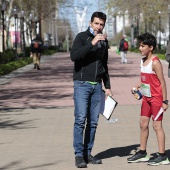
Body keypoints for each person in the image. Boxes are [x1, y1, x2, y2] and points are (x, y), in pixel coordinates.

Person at [70, 11, 112, 168]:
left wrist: (107, 86)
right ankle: (79, 155)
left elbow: (104, 64)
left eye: (101, 24)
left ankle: (88, 153)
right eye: (96, 23)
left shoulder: (104, 42)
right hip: (82, 84)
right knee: (80, 119)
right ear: (90, 23)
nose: (99, 27)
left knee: (93, 122)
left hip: (97, 86)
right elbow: (74, 56)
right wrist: (92, 43)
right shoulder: (81, 37)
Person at [127, 33, 169, 166]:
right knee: (143, 124)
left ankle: (162, 156)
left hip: (157, 99)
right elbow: (145, 79)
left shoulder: (155, 62)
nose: (140, 48)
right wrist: (136, 86)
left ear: (150, 47)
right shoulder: (142, 60)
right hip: (146, 98)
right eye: (139, 45)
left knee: (157, 126)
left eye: (142, 46)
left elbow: (162, 82)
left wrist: (165, 101)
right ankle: (142, 153)